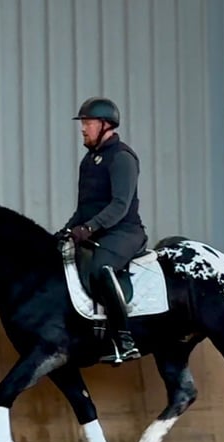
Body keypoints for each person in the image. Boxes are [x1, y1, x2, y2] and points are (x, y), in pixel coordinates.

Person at [56, 96, 148, 364]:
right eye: (83, 123)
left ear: (105, 125)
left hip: (124, 232)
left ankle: (124, 340)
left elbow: (120, 204)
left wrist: (90, 227)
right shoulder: (89, 160)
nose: (83, 128)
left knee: (100, 268)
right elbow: (84, 207)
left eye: (88, 123)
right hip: (97, 231)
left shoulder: (122, 158)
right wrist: (67, 230)